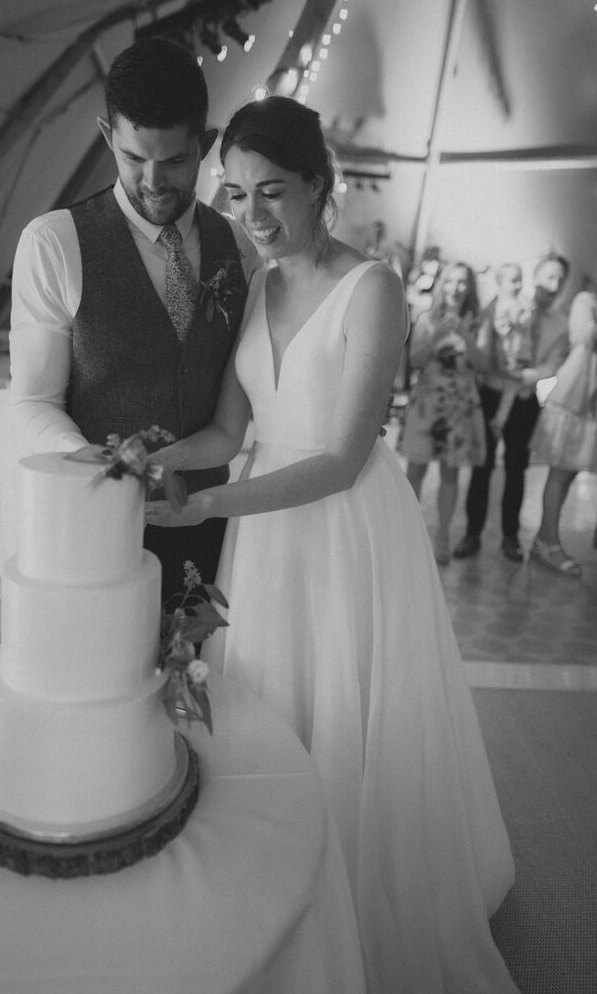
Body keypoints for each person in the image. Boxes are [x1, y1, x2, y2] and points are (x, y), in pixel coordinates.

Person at [146, 95, 519, 993]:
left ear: (319, 184)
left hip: (342, 523)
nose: (252, 213)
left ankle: (360, 900)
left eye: (271, 190)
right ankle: (281, 887)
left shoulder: (374, 287)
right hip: (266, 532)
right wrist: (153, 458)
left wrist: (209, 505)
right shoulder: (257, 284)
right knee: (274, 705)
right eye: (236, 193)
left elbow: (343, 459)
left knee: (346, 710)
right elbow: (229, 429)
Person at [9, 37, 261, 604]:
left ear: (206, 145)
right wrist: (96, 463)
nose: (152, 181)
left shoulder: (240, 247)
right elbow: (33, 401)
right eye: (133, 158)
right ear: (107, 136)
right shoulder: (53, 243)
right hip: (91, 531)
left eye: (174, 161)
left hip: (206, 528)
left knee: (198, 659)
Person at [454, 252, 570, 562]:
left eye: (560, 280)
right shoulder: (506, 304)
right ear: (536, 277)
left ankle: (510, 536)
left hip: (523, 399)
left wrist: (522, 375)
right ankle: (472, 532)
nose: (554, 285)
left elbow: (553, 365)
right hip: (491, 394)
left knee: (517, 469)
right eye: (549, 277)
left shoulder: (561, 324)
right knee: (481, 465)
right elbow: (485, 342)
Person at [400, 261, 489, 564]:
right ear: (442, 284)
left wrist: (464, 333)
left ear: (470, 287)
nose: (456, 287)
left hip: (460, 403)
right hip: (428, 401)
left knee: (451, 472)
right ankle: (406, 532)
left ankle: (443, 535)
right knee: (416, 469)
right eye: (450, 281)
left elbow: (484, 365)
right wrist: (437, 335)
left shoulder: (478, 322)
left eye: (462, 282)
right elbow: (415, 360)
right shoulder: (426, 318)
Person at [529, 285, 597, 574]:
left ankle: (544, 538)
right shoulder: (586, 299)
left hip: (591, 406)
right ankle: (549, 543)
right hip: (574, 399)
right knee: (559, 473)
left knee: (569, 474)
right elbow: (584, 336)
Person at [485, 263, 535, 438]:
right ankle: (499, 421)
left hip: (520, 355)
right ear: (500, 283)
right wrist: (522, 314)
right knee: (510, 389)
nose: (518, 285)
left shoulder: (521, 302)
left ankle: (499, 421)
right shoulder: (498, 305)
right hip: (506, 356)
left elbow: (526, 325)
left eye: (520, 280)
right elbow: (504, 328)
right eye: (514, 281)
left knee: (512, 389)